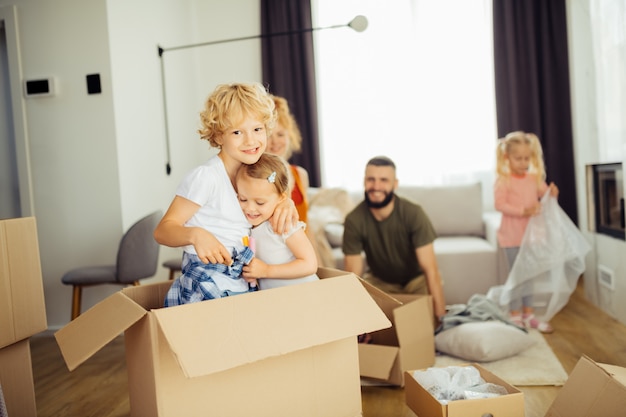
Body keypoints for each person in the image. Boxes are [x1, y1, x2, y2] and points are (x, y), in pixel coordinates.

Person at [154, 82, 298, 306]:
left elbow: (270, 201)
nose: (251, 140)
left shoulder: (254, 173)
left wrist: (286, 202)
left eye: (257, 129)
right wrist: (195, 235)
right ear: (219, 136)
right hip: (207, 278)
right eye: (237, 132)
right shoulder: (207, 177)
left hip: (240, 276)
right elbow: (163, 230)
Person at [342, 156, 447, 321]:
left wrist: (441, 318)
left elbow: (430, 270)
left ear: (395, 184)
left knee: (426, 323)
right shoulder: (354, 220)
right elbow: (352, 275)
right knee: (370, 318)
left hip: (416, 281)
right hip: (381, 282)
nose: (376, 186)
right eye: (371, 179)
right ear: (364, 181)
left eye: (384, 180)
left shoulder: (414, 213)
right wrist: (354, 320)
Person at [494, 130, 559, 333]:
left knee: (529, 275)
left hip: (531, 237)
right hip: (511, 237)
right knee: (517, 276)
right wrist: (524, 211)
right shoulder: (503, 180)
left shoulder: (533, 178)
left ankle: (528, 314)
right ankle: (515, 315)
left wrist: (552, 193)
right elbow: (499, 204)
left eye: (526, 158)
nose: (523, 162)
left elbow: (544, 193)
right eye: (518, 158)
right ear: (507, 158)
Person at [236, 153, 319, 290]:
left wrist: (267, 270)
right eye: (243, 199)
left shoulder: (283, 224)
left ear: (281, 198)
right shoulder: (246, 227)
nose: (250, 208)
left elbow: (310, 264)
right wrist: (253, 273)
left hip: (306, 295)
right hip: (278, 301)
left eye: (260, 202)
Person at [267, 95, 310, 223]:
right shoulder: (252, 175)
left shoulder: (300, 175)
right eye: (269, 135)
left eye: (280, 134)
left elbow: (306, 224)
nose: (275, 142)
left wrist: (312, 244)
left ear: (289, 135)